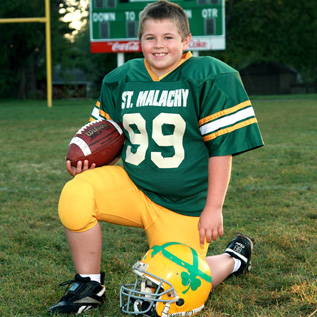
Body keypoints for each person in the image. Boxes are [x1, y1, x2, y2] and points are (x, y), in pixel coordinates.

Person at [48, 0, 264, 315]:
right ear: (140, 41)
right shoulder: (121, 78)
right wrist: (88, 163)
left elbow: (222, 149)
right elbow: (110, 138)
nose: (158, 45)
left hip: (183, 204)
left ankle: (233, 259)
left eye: (168, 37)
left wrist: (213, 208)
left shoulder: (210, 76)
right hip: (133, 187)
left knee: (171, 288)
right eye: (150, 38)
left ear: (186, 41)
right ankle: (88, 285)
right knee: (77, 193)